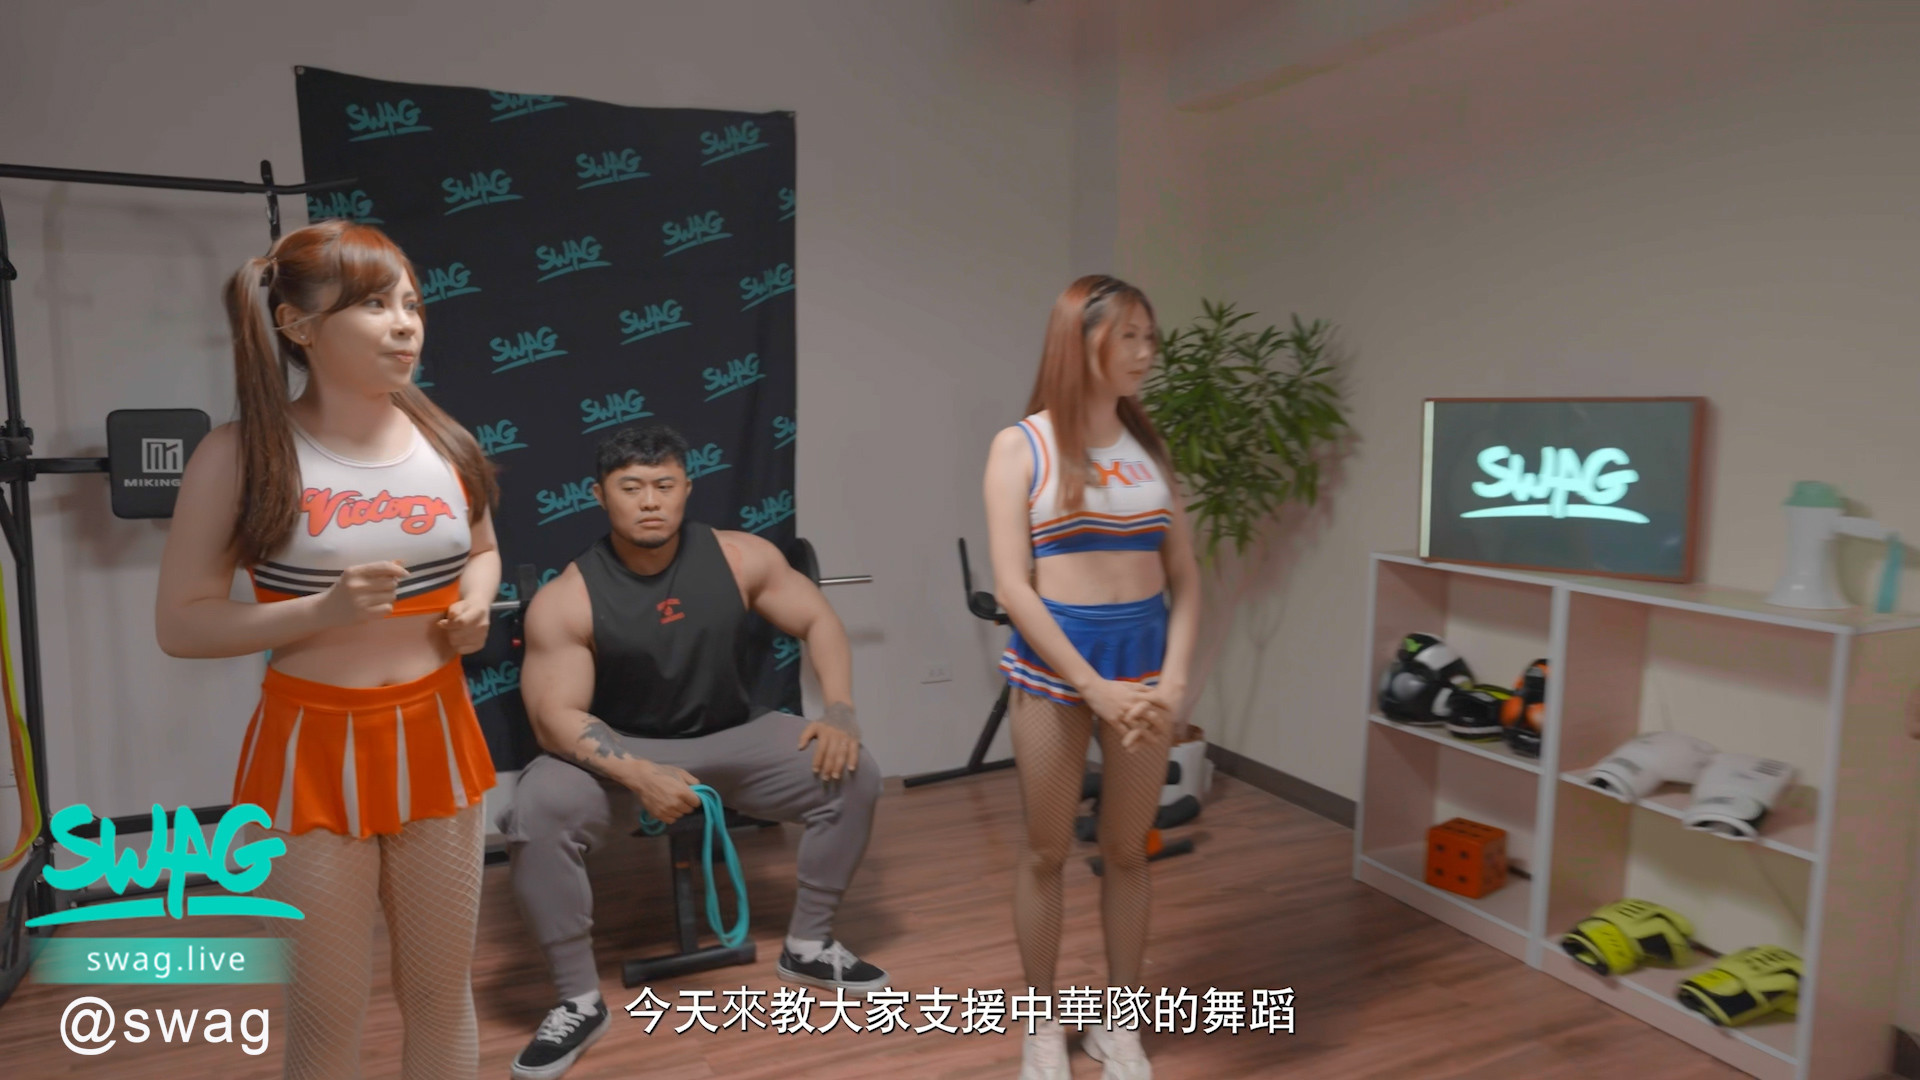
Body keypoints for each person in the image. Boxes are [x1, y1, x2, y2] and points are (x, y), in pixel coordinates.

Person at [156, 220, 501, 1079]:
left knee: (441, 995)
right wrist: (320, 611)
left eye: (412, 304)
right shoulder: (240, 455)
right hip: (307, 754)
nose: (405, 324)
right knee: (323, 1013)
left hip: (439, 739)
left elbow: (485, 550)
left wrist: (476, 605)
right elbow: (183, 623)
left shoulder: (445, 439)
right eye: (375, 305)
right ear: (298, 325)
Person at [505, 421, 885, 1080]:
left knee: (854, 773)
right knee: (537, 810)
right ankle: (577, 1000)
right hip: (623, 750)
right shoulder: (570, 597)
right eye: (631, 487)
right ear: (600, 495)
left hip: (732, 734)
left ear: (687, 488)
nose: (650, 501)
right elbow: (554, 718)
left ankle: (808, 944)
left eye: (664, 485)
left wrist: (841, 711)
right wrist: (637, 772)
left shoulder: (741, 558)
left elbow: (817, 618)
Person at [981, 275, 1202, 1080]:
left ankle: (1120, 1025)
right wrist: (1091, 687)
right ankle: (1042, 1026)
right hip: (1054, 674)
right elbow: (1015, 588)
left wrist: (1173, 682)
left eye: (1150, 337)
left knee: (1128, 852)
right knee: (1045, 852)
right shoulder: (1022, 446)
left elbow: (1186, 576)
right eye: (1128, 337)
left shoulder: (1150, 450)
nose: (1146, 353)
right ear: (1080, 342)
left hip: (1142, 675)